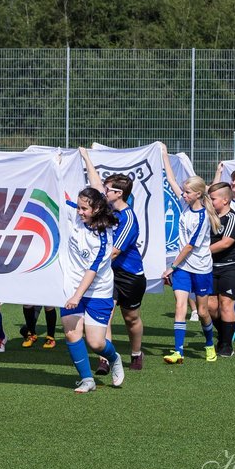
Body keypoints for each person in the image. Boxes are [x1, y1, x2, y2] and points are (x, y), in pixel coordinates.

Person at [79, 148, 145, 372]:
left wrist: (90, 265)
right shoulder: (106, 207)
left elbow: (114, 252)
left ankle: (136, 352)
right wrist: (86, 158)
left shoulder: (128, 219)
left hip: (130, 276)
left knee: (131, 318)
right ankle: (105, 359)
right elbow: (97, 184)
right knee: (106, 313)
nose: (104, 192)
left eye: (108, 190)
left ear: (118, 194)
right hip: (109, 273)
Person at [60, 187, 124, 393]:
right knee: (71, 333)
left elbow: (92, 270)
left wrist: (77, 296)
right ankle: (87, 379)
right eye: (79, 207)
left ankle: (114, 358)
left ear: (96, 209)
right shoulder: (76, 213)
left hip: (98, 291)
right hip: (71, 287)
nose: (79, 212)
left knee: (96, 343)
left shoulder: (103, 237)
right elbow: (61, 196)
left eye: (84, 208)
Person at [161, 173, 217, 364]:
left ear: (198, 194)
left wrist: (172, 266)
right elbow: (171, 180)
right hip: (183, 268)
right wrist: (164, 154)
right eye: (184, 191)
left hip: (200, 268)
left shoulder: (203, 217)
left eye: (187, 192)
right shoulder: (185, 205)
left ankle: (209, 344)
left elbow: (189, 247)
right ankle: (178, 351)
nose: (183, 195)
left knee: (202, 312)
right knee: (180, 306)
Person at [208, 183, 235, 357]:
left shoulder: (232, 218)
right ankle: (226, 334)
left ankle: (226, 345)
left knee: (226, 304)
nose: (209, 201)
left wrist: (200, 252)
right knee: (210, 307)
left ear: (225, 200)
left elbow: (225, 243)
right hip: (210, 267)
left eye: (213, 198)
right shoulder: (208, 217)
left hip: (232, 267)